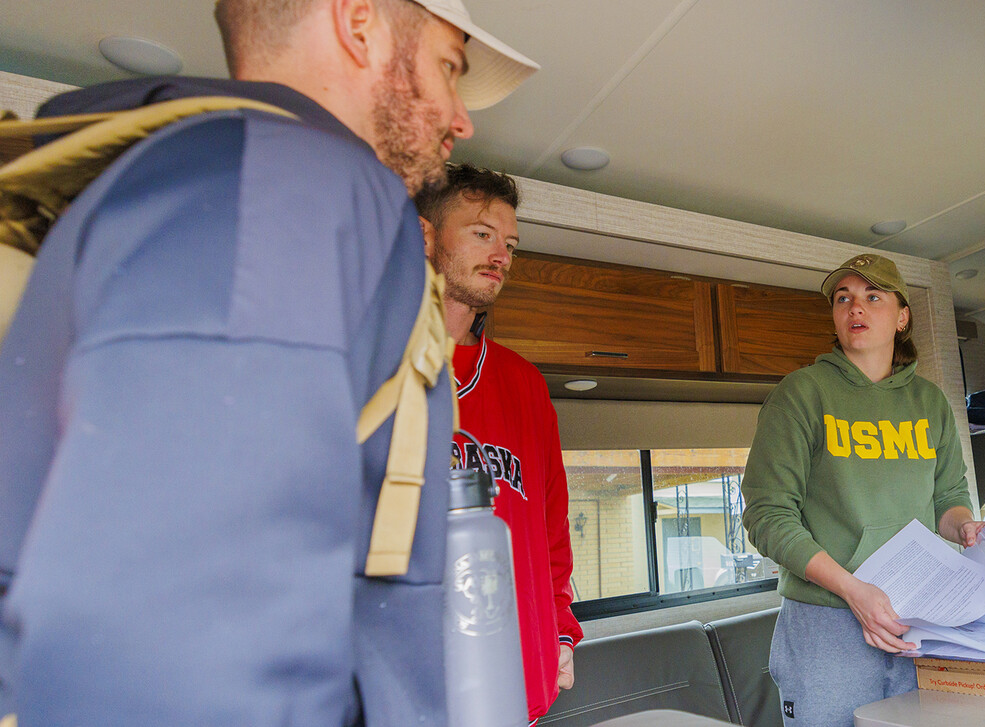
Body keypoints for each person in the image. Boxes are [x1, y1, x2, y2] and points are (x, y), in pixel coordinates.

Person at [0, 1, 536, 725]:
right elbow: (187, 629)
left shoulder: (207, 181)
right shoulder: (287, 184)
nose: (461, 117)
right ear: (358, 25)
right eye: (448, 67)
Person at [740, 253, 985, 727]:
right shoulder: (801, 393)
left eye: (872, 296)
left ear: (902, 317)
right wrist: (854, 590)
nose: (855, 307)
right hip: (826, 621)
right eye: (844, 298)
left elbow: (948, 496)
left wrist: (965, 525)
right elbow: (767, 515)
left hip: (917, 618)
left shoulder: (930, 402)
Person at [415, 164, 583, 725]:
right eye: (483, 234)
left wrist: (561, 631)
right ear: (426, 236)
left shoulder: (524, 383)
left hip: (518, 684)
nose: (502, 254)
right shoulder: (366, 365)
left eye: (509, 243)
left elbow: (552, 528)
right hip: (412, 693)